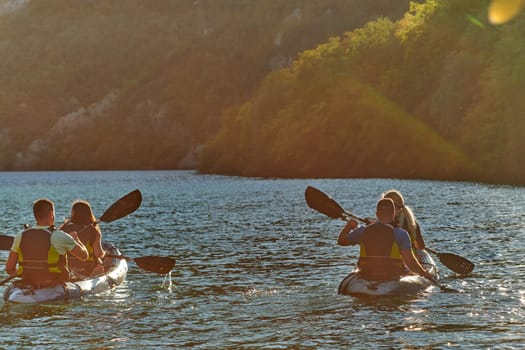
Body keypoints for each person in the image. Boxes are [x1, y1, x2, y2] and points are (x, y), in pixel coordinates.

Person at [337, 198, 435, 282]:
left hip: (367, 273)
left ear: (377, 214)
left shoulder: (362, 231)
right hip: (393, 274)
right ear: (393, 214)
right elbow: (411, 263)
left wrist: (349, 226)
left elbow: (341, 241)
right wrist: (425, 274)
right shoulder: (401, 234)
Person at [5, 198, 89, 288]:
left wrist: (25, 276)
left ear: (35, 215)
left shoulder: (20, 235)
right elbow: (84, 256)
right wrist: (76, 239)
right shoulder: (59, 236)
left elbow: (9, 268)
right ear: (51, 214)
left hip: (27, 282)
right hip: (53, 283)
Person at [60, 200, 105, 278]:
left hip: (66, 268)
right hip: (86, 269)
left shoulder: (64, 228)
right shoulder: (94, 231)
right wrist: (105, 254)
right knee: (100, 265)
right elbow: (99, 254)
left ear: (73, 213)